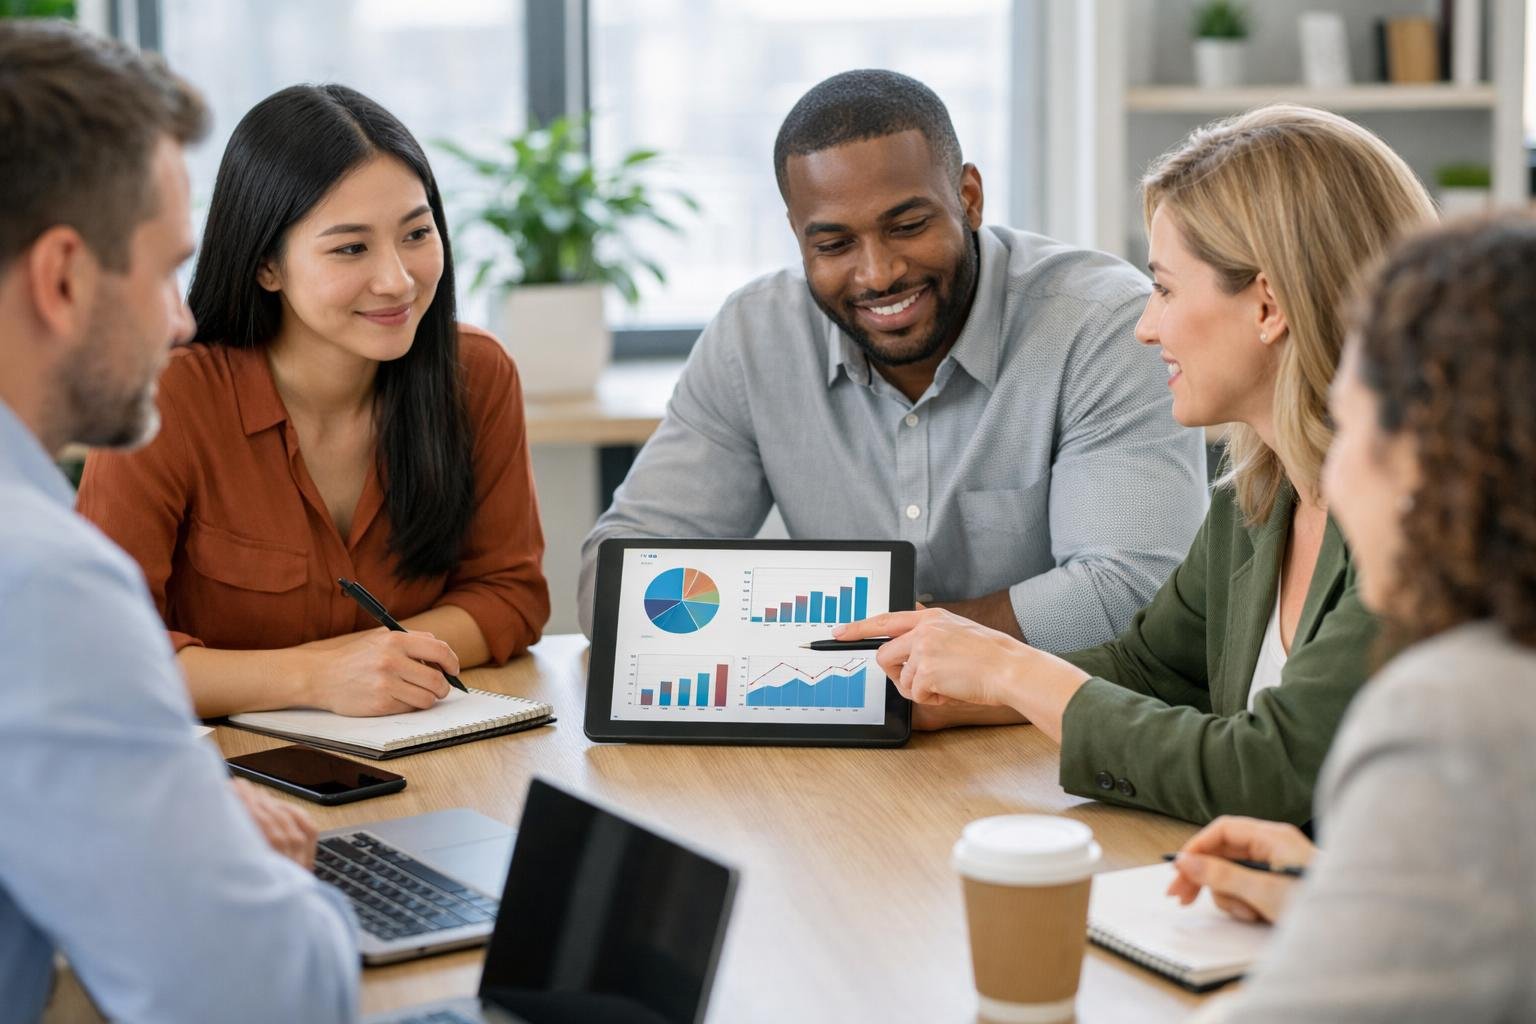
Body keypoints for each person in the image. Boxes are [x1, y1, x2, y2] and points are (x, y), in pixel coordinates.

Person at [839, 106, 1437, 825]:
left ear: (1268, 306)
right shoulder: (1260, 492)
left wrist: (1008, 669)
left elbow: (1270, 770)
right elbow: (1152, 670)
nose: (1146, 327)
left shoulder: (1424, 519)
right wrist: (962, 695)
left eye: (1165, 289)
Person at [576, 69, 1208, 648]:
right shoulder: (753, 337)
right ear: (798, 236)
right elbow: (616, 581)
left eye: (907, 227)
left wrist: (845, 647)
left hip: (1044, 725)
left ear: (969, 197)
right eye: (835, 244)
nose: (878, 274)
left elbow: (1133, 594)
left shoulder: (1103, 324)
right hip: (835, 725)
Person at [0, 21, 355, 1022]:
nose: (182, 318)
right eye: (165, 271)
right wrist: (255, 867)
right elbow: (264, 995)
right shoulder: (40, 580)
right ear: (63, 279)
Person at [76, 84, 551, 719]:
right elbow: (101, 658)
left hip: (419, 746)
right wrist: (315, 676)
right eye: (351, 248)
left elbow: (509, 594)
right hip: (223, 763)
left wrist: (375, 665)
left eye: (417, 233)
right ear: (266, 265)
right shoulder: (165, 398)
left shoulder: (477, 374)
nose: (397, 280)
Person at [1172, 217, 1536, 1022]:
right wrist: (1355, 901)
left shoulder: (1457, 712)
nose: (1331, 475)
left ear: (1424, 455)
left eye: (1349, 423)